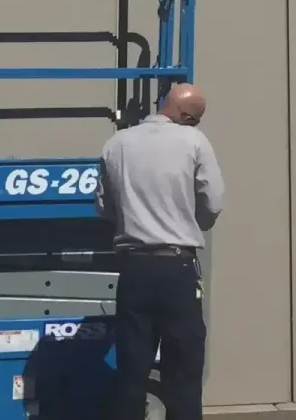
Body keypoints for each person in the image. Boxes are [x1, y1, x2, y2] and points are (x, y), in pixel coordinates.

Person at [97, 82, 224, 420]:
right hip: (176, 267)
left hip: (134, 269)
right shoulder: (193, 142)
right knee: (183, 369)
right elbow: (213, 201)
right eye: (194, 119)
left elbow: (104, 206)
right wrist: (187, 220)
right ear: (185, 115)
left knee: (131, 369)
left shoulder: (117, 143)